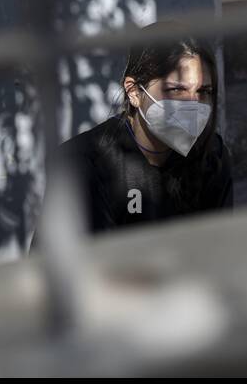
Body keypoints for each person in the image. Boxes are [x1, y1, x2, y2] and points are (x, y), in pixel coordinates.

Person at [47, 26, 233, 239]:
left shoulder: (212, 157)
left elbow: (220, 249)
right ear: (134, 91)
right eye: (176, 90)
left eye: (203, 91)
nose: (193, 104)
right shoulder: (82, 162)